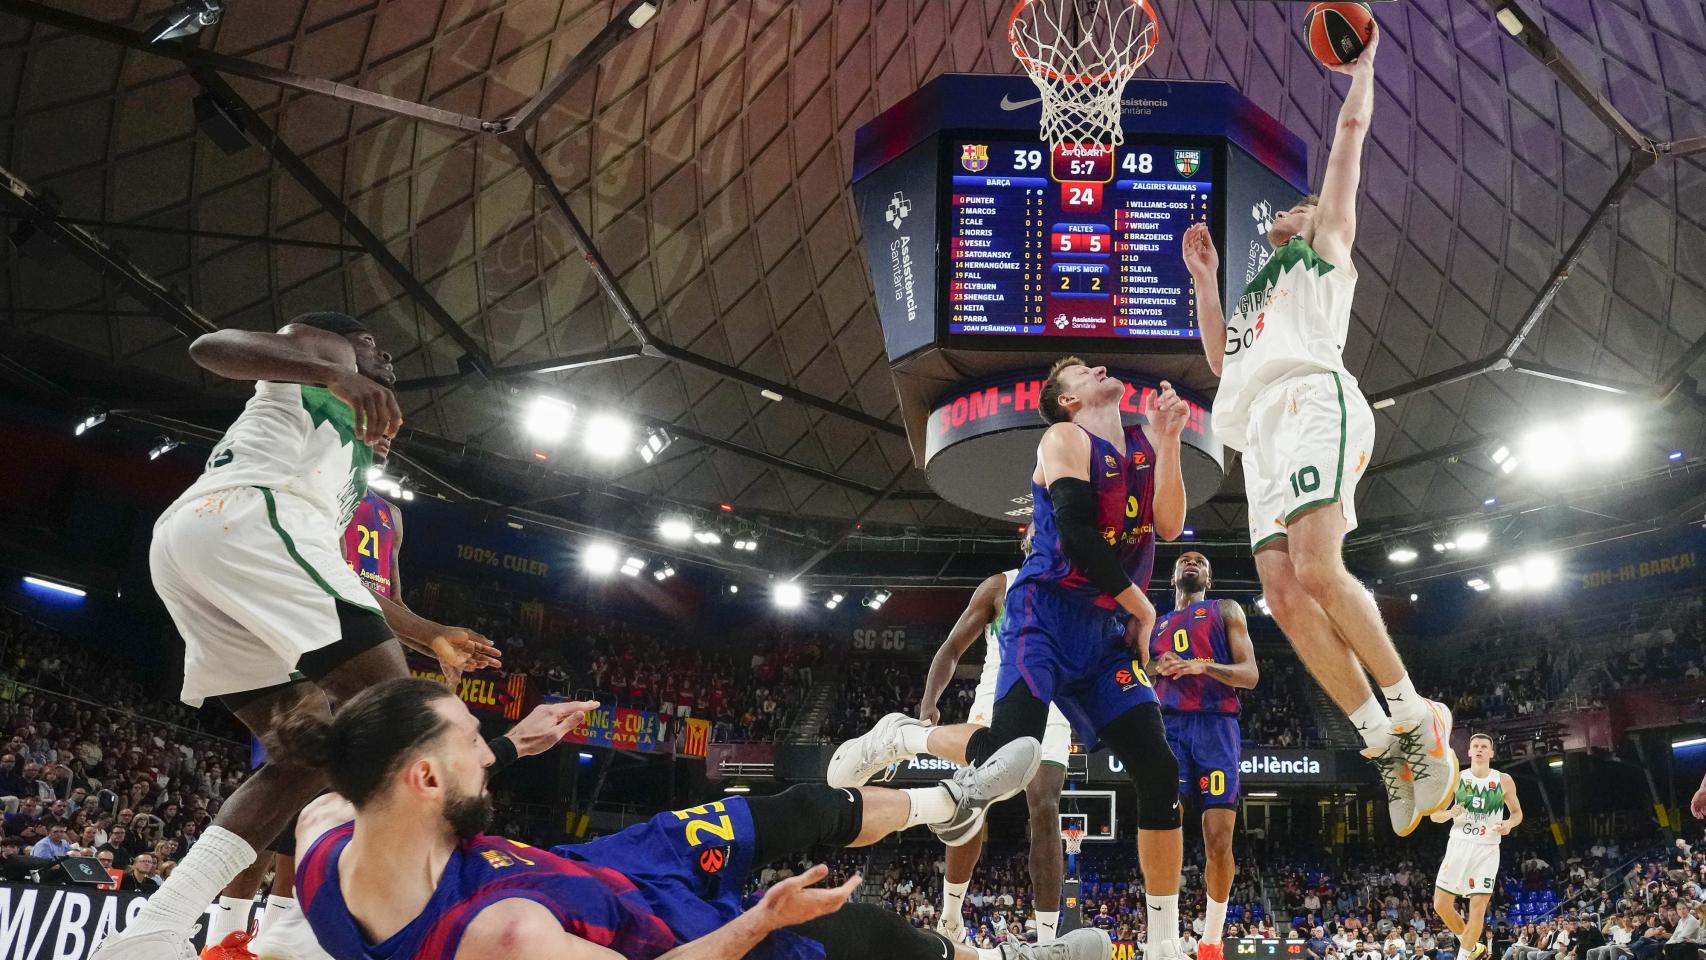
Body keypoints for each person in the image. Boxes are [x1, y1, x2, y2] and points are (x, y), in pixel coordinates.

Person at [92, 312, 503, 960]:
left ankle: (151, 934)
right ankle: (421, 918)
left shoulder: (342, 477)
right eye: (375, 346)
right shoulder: (325, 354)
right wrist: (336, 371)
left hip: (203, 545)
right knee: (409, 718)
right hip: (248, 518)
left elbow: (332, 575)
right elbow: (212, 346)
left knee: (305, 755)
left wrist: (431, 635)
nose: (387, 359)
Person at [288, 677, 1107, 960]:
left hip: (609, 867)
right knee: (870, 937)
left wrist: (511, 742)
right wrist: (760, 920)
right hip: (655, 932)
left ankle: (951, 802)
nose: (489, 750)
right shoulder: (507, 938)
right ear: (427, 779)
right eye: (474, 742)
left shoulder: (328, 830)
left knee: (798, 807)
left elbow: (352, 783)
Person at [1178, 20, 1453, 835]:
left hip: (1313, 404)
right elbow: (1223, 363)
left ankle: (1416, 715)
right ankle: (1381, 744)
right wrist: (1204, 281)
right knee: (1283, 595)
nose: (1289, 209)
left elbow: (1349, 143)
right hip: (1260, 429)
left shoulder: (1324, 245)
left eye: (1297, 206)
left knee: (1317, 565)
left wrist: (1362, 72)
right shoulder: (1257, 294)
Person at [827, 359, 1191, 960]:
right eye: (1083, 371)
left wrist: (1170, 441)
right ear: (1068, 401)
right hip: (1043, 617)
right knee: (1008, 757)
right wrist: (1143, 607)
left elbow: (1169, 526)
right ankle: (903, 736)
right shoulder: (1064, 437)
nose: (1101, 366)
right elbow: (1077, 535)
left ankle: (1164, 944)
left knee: (1157, 768)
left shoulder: (1140, 446)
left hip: (1101, 633)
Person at [204, 436, 416, 960]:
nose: (381, 442)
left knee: (320, 797)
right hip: (307, 646)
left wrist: (429, 639)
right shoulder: (320, 486)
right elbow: (312, 570)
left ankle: (275, 935)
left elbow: (390, 598)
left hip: (357, 646)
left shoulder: (390, 515)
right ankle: (222, 933)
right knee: (283, 779)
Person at [916, 532, 1073, 944]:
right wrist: (930, 701)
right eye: (1037, 527)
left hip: (1054, 703)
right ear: (1026, 542)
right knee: (973, 799)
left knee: (1046, 807)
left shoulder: (1080, 585)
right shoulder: (1000, 585)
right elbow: (952, 647)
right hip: (997, 697)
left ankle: (1047, 940)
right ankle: (951, 918)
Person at [1142, 552, 1257, 960]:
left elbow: (1249, 674)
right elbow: (1135, 672)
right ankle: (1166, 938)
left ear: (1209, 576)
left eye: (1201, 560)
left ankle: (1210, 941)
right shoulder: (1153, 623)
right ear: (1172, 575)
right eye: (1184, 559)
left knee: (1219, 840)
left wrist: (1200, 667)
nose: (1191, 562)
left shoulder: (1225, 609)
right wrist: (1155, 668)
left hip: (1216, 727)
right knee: (1164, 828)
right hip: (1168, 728)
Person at [1431, 734, 1522, 960]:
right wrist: (1450, 813)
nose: (1479, 749)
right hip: (1459, 845)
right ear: (1469, 752)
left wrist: (1509, 824)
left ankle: (1463, 957)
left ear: (1491, 753)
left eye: (1484, 746)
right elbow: (1435, 816)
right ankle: (1471, 947)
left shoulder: (1503, 780)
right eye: (1475, 746)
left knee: (1477, 910)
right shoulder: (1457, 779)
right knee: (1440, 905)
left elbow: (1517, 813)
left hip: (1487, 849)